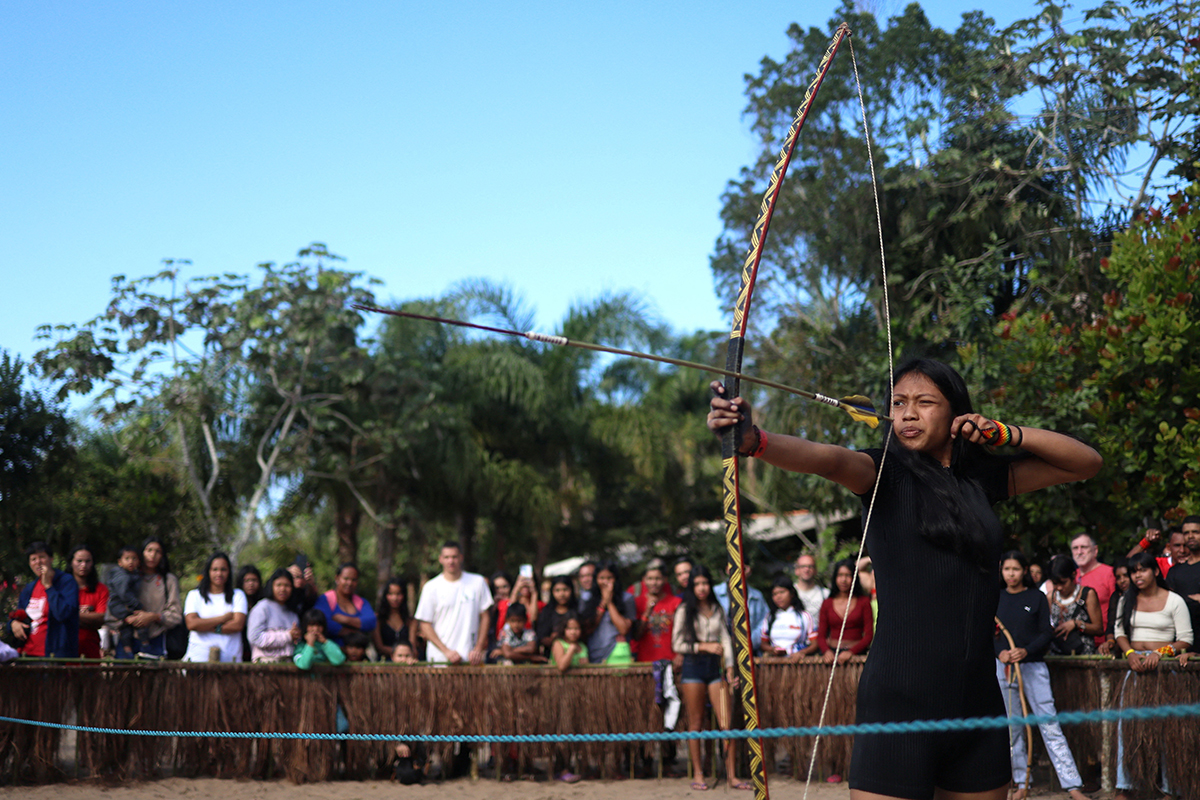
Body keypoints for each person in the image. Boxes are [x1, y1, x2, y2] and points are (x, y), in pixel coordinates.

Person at [708, 356, 1102, 800]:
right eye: (897, 403)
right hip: (899, 703)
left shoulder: (982, 478)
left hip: (976, 702)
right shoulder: (882, 474)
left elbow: (1085, 463)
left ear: (957, 413)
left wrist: (1005, 433)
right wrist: (753, 439)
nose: (907, 413)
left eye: (924, 402)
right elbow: (829, 460)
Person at [994, 550, 1089, 800]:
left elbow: (1046, 634)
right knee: (1012, 727)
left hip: (1033, 667)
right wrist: (1001, 652)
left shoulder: (1036, 597)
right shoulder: (996, 597)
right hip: (1004, 668)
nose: (1011, 574)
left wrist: (1026, 651)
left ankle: (1073, 785)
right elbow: (988, 633)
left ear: (1025, 571)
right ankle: (1022, 782)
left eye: (1015, 569)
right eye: (1006, 569)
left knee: (1049, 723)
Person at [1113, 551, 1193, 799]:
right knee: (1126, 729)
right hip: (1135, 667)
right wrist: (1129, 654)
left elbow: (1186, 639)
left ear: (1156, 572)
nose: (1137, 575)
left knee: (1169, 731)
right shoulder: (1126, 600)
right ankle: (1125, 787)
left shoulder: (1174, 600)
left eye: (1143, 570)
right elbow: (1119, 632)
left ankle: (1171, 789)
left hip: (1166, 668)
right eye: (1133, 571)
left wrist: (1161, 652)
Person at [670, 564, 745, 791]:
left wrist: (731, 667)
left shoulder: (718, 607)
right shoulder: (684, 609)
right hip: (693, 668)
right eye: (697, 584)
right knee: (695, 724)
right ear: (691, 587)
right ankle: (699, 774)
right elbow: (676, 644)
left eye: (705, 583)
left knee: (726, 724)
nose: (702, 588)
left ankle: (732, 776)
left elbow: (725, 639)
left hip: (717, 669)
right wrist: (703, 646)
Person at [413, 541, 493, 664]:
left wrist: (478, 648)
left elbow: (485, 616)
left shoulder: (478, 582)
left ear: (461, 557)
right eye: (446, 557)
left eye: (454, 557)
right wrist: (446, 651)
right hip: (439, 660)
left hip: (470, 659)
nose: (451, 561)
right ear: (440, 559)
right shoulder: (431, 587)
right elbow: (424, 624)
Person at [7, 541, 79, 658]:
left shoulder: (66, 582)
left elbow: (63, 614)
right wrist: (13, 624)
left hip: (54, 654)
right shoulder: (29, 588)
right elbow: (18, 615)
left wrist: (49, 586)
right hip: (27, 653)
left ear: (51, 559)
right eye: (33, 559)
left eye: (42, 557)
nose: (38, 562)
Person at [183, 551, 248, 662]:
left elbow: (237, 625)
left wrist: (205, 626)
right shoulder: (194, 595)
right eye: (215, 569)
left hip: (230, 661)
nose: (219, 574)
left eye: (223, 569)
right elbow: (192, 624)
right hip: (197, 660)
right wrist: (223, 619)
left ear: (229, 572)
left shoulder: (238, 595)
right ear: (208, 572)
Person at [125, 537, 182, 659]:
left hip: (157, 638)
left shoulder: (169, 580)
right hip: (128, 637)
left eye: (158, 552)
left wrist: (153, 617)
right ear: (141, 553)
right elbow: (114, 606)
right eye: (149, 550)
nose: (153, 555)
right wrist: (129, 618)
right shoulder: (127, 577)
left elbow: (176, 615)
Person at [815, 558, 873, 664]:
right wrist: (826, 651)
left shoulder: (863, 602)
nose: (843, 580)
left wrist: (851, 652)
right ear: (835, 578)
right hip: (832, 655)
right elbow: (821, 636)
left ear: (854, 578)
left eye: (848, 575)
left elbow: (869, 635)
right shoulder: (827, 603)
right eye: (840, 575)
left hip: (857, 656)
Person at [1046, 554, 1102, 655]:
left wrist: (1076, 624)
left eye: (1063, 583)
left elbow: (1098, 629)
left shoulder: (1087, 594)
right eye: (1055, 584)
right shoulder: (1050, 597)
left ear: (1073, 575)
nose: (1059, 588)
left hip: (1084, 653)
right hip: (1057, 654)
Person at [581, 561, 636, 664]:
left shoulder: (627, 598)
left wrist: (609, 602)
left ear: (616, 579)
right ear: (596, 580)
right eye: (601, 578)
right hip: (594, 652)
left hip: (618, 653)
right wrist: (603, 603)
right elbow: (587, 629)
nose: (605, 582)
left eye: (609, 578)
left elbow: (623, 629)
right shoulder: (587, 598)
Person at [313, 562, 377, 648]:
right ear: (337, 578)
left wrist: (344, 619)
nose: (349, 583)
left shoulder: (361, 602)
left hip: (357, 655)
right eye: (346, 579)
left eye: (354, 580)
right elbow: (323, 623)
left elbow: (371, 622)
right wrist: (353, 631)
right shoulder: (325, 599)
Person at [712, 561, 769, 656]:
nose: (739, 572)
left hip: (749, 652)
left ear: (749, 570)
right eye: (734, 568)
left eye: (743, 568)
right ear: (727, 569)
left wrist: (749, 641)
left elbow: (764, 623)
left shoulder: (757, 596)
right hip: (721, 650)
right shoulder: (715, 593)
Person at [247, 568, 301, 663]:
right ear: (271, 586)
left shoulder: (292, 613)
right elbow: (255, 637)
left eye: (287, 585)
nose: (283, 589)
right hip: (264, 663)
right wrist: (287, 636)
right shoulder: (262, 607)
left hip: (288, 665)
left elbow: (295, 642)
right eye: (278, 585)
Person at [1069, 532, 1115, 642]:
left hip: (1105, 643)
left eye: (1084, 547)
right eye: (1075, 548)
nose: (1079, 552)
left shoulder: (1109, 573)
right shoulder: (1069, 578)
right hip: (1075, 644)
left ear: (1095, 550)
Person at [104, 545, 150, 657]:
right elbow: (124, 594)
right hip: (120, 606)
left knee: (126, 629)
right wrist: (137, 605)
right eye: (127, 559)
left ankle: (128, 650)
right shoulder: (121, 576)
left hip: (122, 606)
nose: (131, 562)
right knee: (139, 621)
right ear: (120, 562)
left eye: (134, 559)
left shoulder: (133, 574)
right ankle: (146, 646)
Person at [633, 563, 682, 663]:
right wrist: (647, 611)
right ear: (644, 580)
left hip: (671, 660)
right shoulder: (637, 602)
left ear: (665, 579)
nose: (654, 583)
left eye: (658, 579)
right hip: (644, 662)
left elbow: (683, 632)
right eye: (650, 579)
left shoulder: (676, 602)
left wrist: (680, 655)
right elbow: (636, 636)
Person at [761, 574, 817, 659]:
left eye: (782, 592)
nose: (778, 597)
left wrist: (801, 653)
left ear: (791, 593)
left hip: (798, 664)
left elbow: (815, 644)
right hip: (774, 664)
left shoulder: (804, 616)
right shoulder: (770, 617)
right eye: (775, 594)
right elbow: (763, 644)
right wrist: (773, 650)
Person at [69, 544, 108, 659]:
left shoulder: (100, 589)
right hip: (65, 647)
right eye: (79, 561)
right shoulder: (61, 588)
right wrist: (87, 617)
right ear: (71, 562)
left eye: (88, 561)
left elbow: (101, 618)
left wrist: (71, 616)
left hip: (90, 648)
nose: (83, 565)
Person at [1165, 515, 1200, 635]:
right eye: (1186, 533)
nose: (1190, 536)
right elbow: (1169, 604)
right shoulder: (1175, 571)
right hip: (1184, 636)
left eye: (1195, 532)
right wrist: (1192, 599)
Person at [373, 576, 417, 661]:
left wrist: (403, 656)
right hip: (384, 663)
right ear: (385, 596)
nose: (395, 598)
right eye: (391, 594)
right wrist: (398, 654)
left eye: (398, 594)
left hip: (406, 663)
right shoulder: (378, 619)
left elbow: (412, 646)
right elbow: (379, 647)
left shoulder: (410, 621)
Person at [536, 576, 578, 654]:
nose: (561, 594)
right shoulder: (547, 611)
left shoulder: (577, 610)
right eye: (557, 590)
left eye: (565, 590)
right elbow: (541, 636)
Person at [1098, 558, 1132, 656]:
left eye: (1126, 576)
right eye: (1118, 577)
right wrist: (1110, 641)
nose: (1122, 581)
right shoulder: (1116, 597)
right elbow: (1111, 625)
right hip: (1120, 643)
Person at [235, 564, 262, 662]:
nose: (251, 584)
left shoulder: (262, 604)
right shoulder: (235, 602)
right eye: (246, 580)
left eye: (254, 580)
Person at [793, 553, 828, 621]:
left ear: (815, 570)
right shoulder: (790, 593)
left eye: (810, 566)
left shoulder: (825, 594)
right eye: (803, 566)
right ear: (797, 570)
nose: (807, 569)